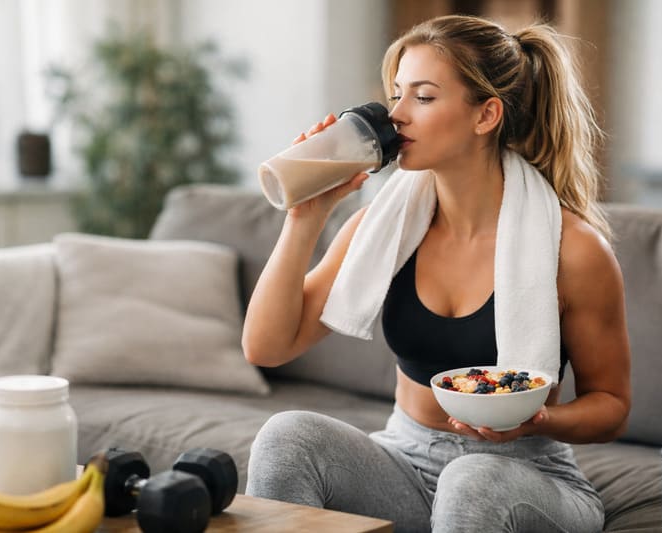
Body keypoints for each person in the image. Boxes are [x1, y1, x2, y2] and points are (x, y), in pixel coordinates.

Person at [242, 14, 630, 533]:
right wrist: (304, 218)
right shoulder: (383, 226)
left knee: (471, 480)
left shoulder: (575, 250)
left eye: (422, 98)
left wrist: (532, 420)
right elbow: (266, 348)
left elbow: (611, 407)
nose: (396, 115)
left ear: (485, 115)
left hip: (524, 475)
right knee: (287, 436)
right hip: (406, 459)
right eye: (397, 94)